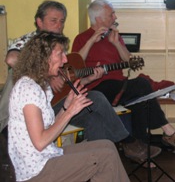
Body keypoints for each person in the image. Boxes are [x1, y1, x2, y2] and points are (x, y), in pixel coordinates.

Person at [3, 0, 161, 166]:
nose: (59, 25)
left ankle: (99, 166)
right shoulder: (29, 41)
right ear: (39, 22)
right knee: (97, 97)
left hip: (55, 105)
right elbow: (12, 58)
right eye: (53, 20)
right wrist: (47, 74)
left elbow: (65, 84)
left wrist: (88, 79)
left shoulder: (58, 45)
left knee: (94, 117)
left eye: (62, 21)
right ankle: (128, 141)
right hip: (33, 111)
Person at [71, 0, 175, 151]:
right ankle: (168, 131)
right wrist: (91, 40)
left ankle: (141, 149)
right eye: (112, 14)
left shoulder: (114, 36)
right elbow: (76, 63)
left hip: (119, 86)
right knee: (142, 84)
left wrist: (116, 44)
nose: (115, 17)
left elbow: (128, 60)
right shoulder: (82, 38)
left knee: (140, 100)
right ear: (99, 19)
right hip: (96, 89)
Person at [8, 31, 129, 182]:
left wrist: (66, 106)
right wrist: (71, 112)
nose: (65, 60)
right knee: (105, 158)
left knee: (108, 146)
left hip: (48, 156)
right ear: (43, 57)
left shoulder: (42, 85)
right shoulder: (28, 89)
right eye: (60, 54)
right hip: (36, 171)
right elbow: (40, 142)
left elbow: (49, 128)